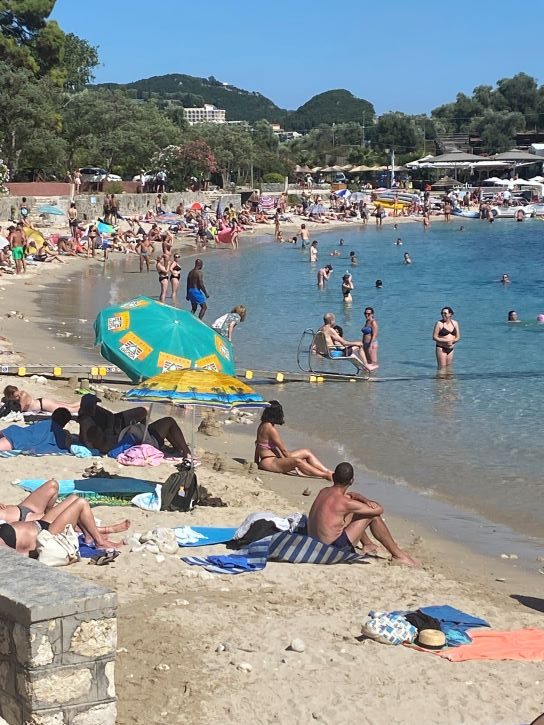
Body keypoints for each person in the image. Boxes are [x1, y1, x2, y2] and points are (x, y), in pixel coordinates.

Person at [307, 462, 417, 565]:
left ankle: (368, 544)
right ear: (351, 481)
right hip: (332, 548)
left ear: (334, 476)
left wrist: (361, 498)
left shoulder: (324, 491)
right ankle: (398, 555)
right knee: (372, 516)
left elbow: (349, 498)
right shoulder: (345, 503)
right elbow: (379, 509)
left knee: (353, 512)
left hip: (314, 541)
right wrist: (367, 501)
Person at [0, 479, 130, 540]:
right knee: (72, 506)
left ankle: (49, 515)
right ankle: (104, 530)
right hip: (23, 521)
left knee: (53, 485)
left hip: (23, 508)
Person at [0, 494, 124, 555]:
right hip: (46, 536)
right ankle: (99, 541)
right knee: (81, 503)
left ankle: (89, 536)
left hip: (41, 524)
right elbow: (13, 557)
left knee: (74, 498)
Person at [78, 394, 191, 458]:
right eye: (93, 405)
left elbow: (109, 417)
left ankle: (178, 449)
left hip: (128, 436)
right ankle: (186, 452)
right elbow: (103, 445)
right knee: (169, 421)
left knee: (143, 413)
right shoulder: (88, 423)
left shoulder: (87, 417)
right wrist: (129, 436)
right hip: (132, 440)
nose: (95, 407)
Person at [254, 401, 332, 480]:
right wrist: (291, 461)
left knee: (306, 452)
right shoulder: (271, 429)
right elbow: (283, 450)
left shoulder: (262, 425)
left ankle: (328, 471)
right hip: (270, 462)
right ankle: (325, 475)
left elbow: (258, 445)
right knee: (298, 461)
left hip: (270, 460)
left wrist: (256, 461)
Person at [0, 408, 72, 453]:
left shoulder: (45, 423)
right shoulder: (60, 434)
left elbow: (31, 429)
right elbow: (62, 447)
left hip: (16, 431)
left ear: (53, 416)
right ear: (64, 423)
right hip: (21, 439)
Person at [2, 385, 81, 415]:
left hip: (44, 405)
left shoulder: (23, 395)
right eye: (16, 396)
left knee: (69, 409)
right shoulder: (19, 396)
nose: (18, 396)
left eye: (17, 394)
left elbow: (21, 409)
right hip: (43, 402)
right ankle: (84, 402)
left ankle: (86, 406)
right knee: (69, 405)